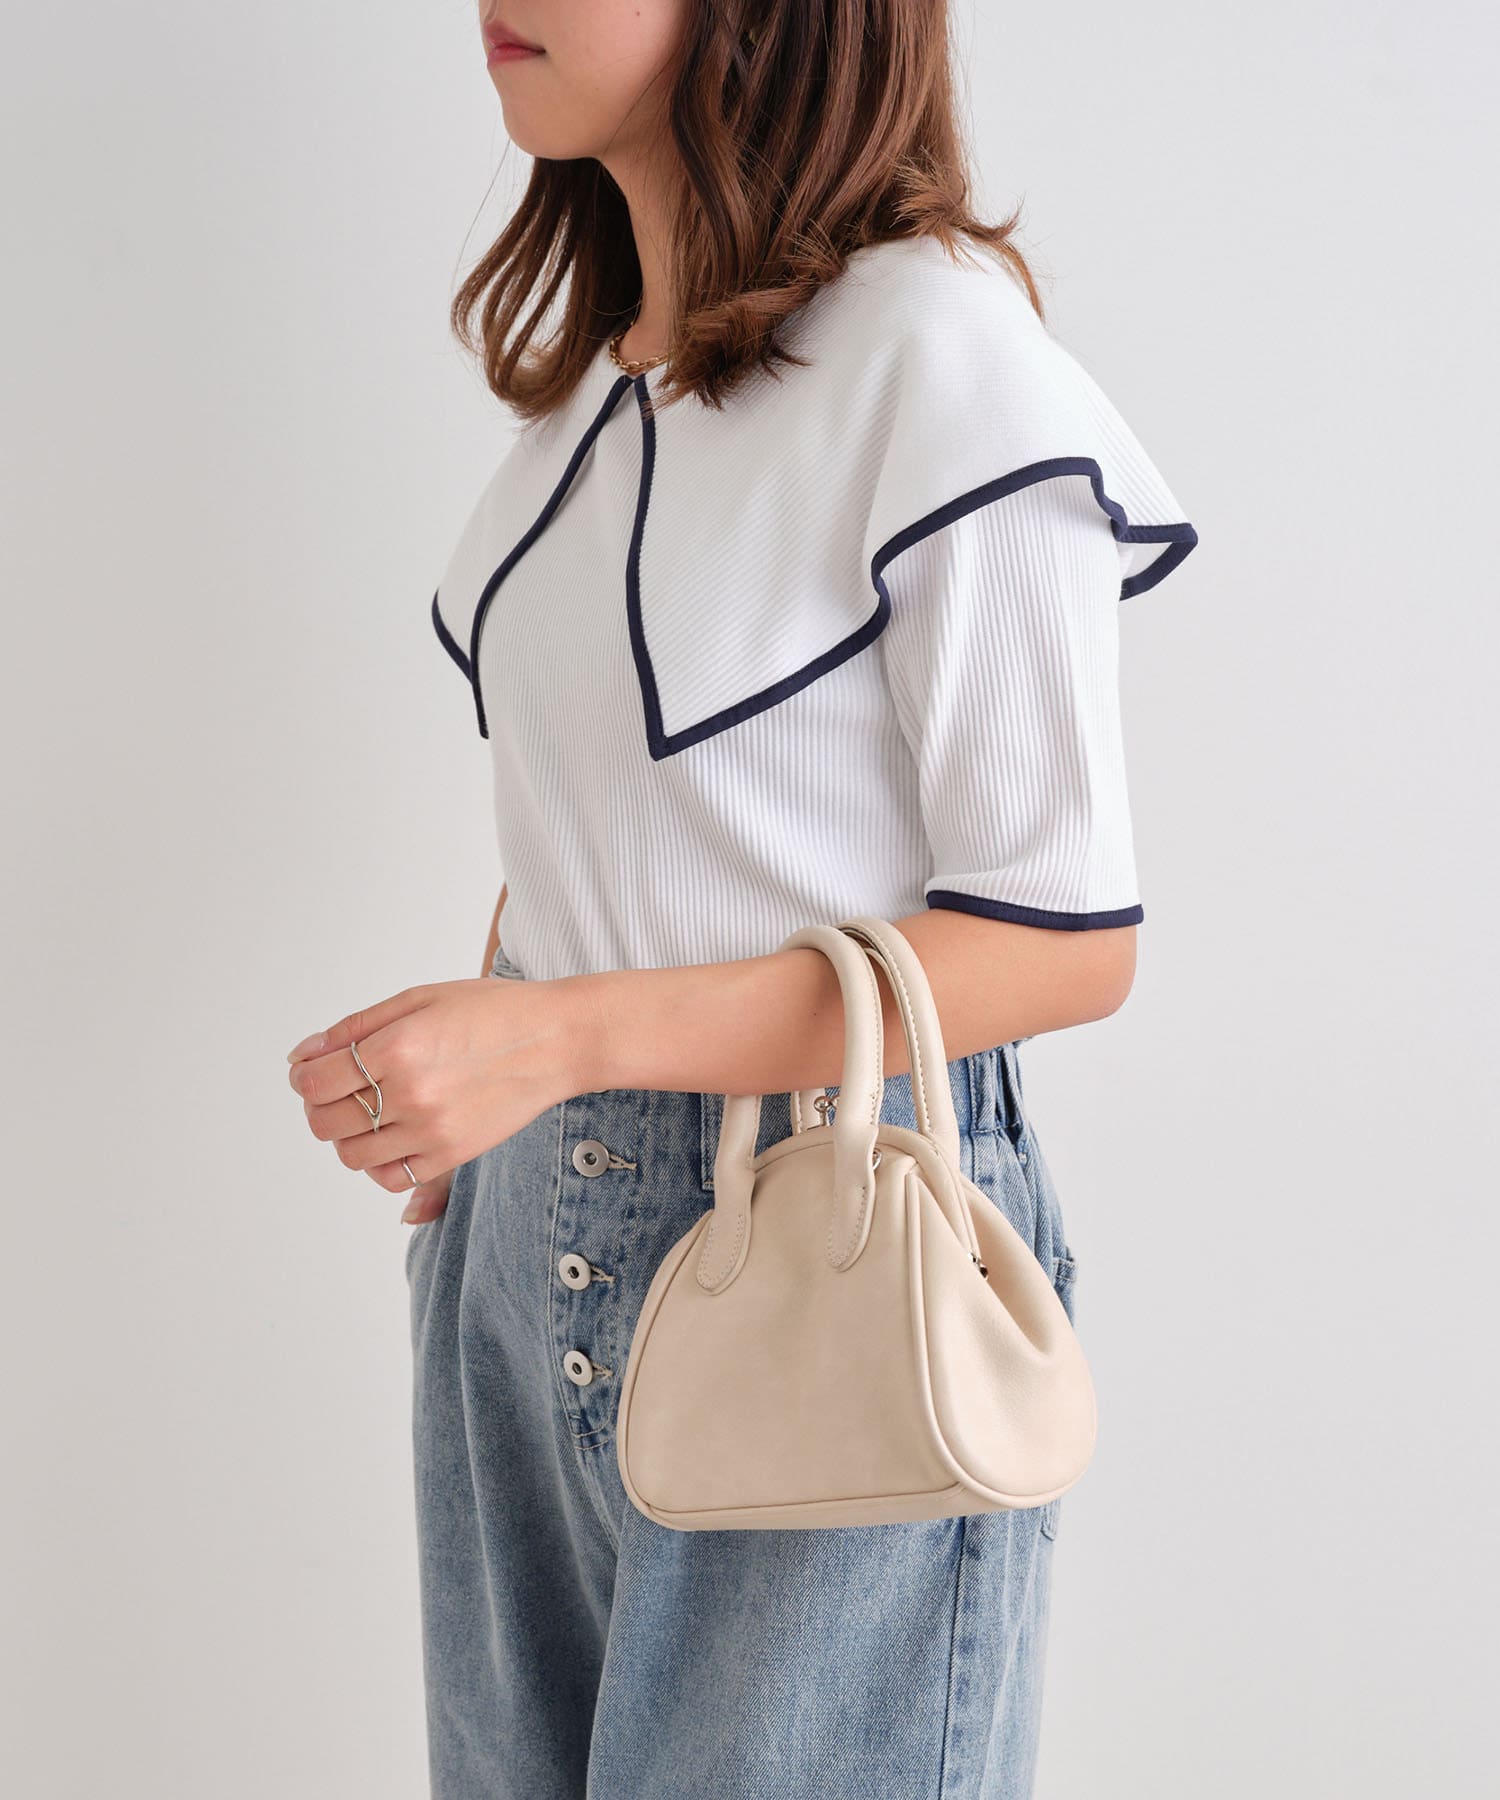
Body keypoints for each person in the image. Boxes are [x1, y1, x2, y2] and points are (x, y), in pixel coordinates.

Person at [285, 4, 1199, 1794]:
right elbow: (639, 818)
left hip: (827, 1236)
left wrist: (558, 1038)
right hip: (515, 1253)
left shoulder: (939, 357)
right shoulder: (599, 388)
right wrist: (486, 1059)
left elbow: (1064, 941)